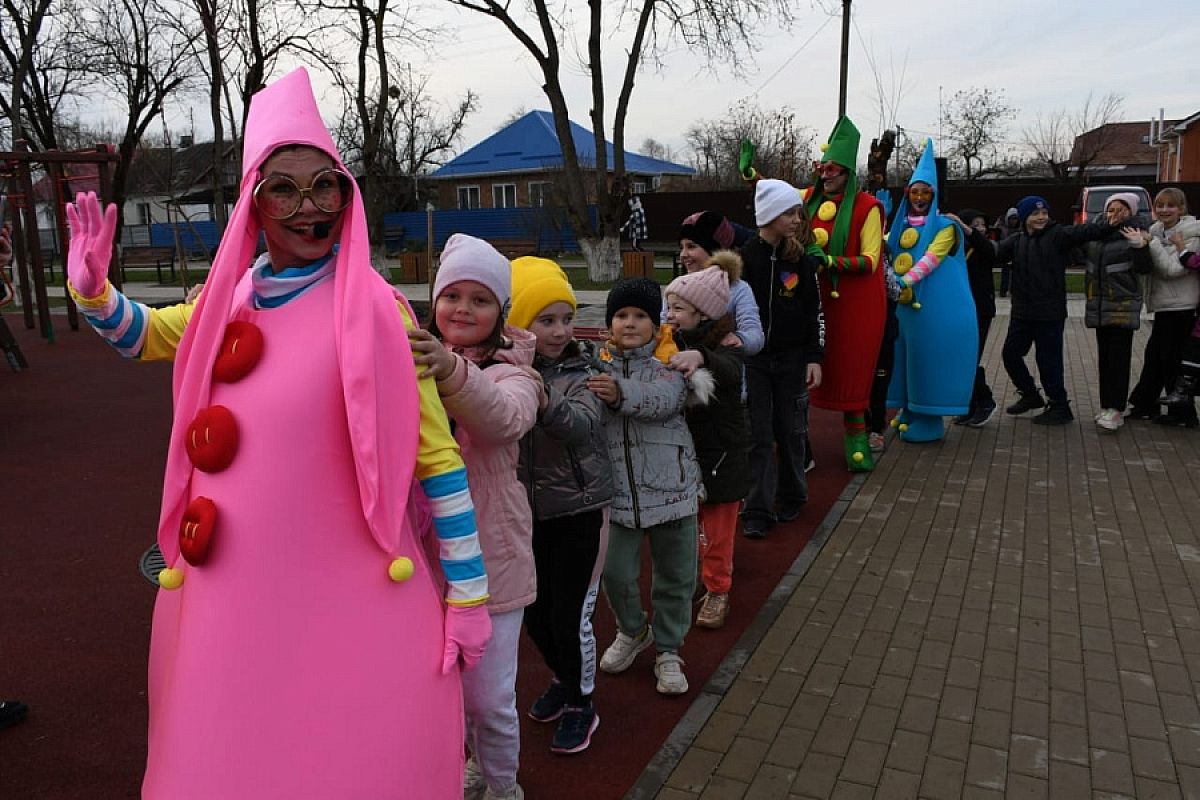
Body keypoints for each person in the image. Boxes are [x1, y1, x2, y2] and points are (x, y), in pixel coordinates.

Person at [64, 68, 490, 798]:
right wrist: (96, 291)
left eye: (323, 185)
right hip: (234, 607)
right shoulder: (224, 303)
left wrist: (469, 595)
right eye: (283, 188)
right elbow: (147, 338)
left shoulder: (377, 313)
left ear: (345, 194)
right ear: (253, 206)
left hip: (349, 605)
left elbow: (438, 460)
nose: (307, 206)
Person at [410, 234, 540, 800]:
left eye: (480, 299)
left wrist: (448, 372)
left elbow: (503, 419)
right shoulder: (411, 356)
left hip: (493, 562)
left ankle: (503, 785)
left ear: (501, 313)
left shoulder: (520, 374)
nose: (462, 309)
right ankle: (462, 767)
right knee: (438, 691)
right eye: (452, 295)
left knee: (489, 698)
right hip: (425, 558)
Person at [508, 256, 612, 756]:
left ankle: (581, 701)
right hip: (525, 512)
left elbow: (581, 425)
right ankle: (562, 677)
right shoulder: (505, 369)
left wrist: (541, 397)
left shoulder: (585, 368)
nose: (559, 330)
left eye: (565, 319)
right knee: (533, 614)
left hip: (578, 509)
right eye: (545, 320)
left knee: (569, 615)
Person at [590, 277, 704, 696]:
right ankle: (633, 630)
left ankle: (670, 649)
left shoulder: (669, 373)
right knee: (615, 575)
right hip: (618, 496)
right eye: (621, 315)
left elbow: (660, 402)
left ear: (657, 328)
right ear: (608, 326)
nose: (630, 322)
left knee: (676, 579)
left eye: (640, 315)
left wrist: (619, 392)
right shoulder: (593, 373)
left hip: (673, 491)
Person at [663, 254, 751, 629]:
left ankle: (718, 589)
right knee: (689, 527)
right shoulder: (668, 340)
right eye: (669, 306)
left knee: (717, 531)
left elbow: (730, 370)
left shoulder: (727, 345)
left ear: (702, 313)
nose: (670, 314)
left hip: (722, 452)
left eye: (678, 308)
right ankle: (702, 578)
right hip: (687, 452)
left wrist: (702, 356)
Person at [738, 180, 824, 539]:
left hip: (790, 360)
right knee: (758, 435)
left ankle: (792, 494)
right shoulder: (744, 259)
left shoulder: (798, 259)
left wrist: (814, 356)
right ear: (770, 214)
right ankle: (757, 506)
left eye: (797, 212)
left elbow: (812, 310)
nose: (796, 220)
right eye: (789, 212)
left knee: (790, 430)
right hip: (755, 361)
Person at [803, 116, 886, 470]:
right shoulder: (807, 199)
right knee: (807, 367)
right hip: (815, 298)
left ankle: (857, 440)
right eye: (822, 168)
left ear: (847, 173)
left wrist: (830, 261)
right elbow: (776, 196)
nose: (825, 175)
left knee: (851, 368)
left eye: (832, 170)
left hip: (855, 304)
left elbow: (870, 259)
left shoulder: (869, 207)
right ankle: (798, 446)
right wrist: (752, 177)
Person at [883, 139, 977, 443]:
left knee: (928, 358)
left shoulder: (945, 227)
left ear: (933, 194)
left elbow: (932, 258)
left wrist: (905, 281)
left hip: (932, 309)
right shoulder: (899, 225)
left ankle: (928, 416)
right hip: (905, 310)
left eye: (925, 192)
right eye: (915, 192)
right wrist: (879, 218)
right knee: (906, 357)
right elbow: (883, 248)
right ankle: (909, 410)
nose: (920, 197)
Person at [997, 195, 1116, 425]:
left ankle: (1060, 406)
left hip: (1049, 313)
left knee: (1048, 361)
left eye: (1044, 213)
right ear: (1024, 218)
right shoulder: (1017, 241)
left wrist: (1111, 223)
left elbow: (1086, 231)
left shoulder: (1058, 235)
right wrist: (967, 234)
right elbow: (991, 252)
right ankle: (1030, 395)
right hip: (1022, 312)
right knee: (1010, 354)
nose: (1041, 217)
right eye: (1034, 214)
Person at [1127, 188, 1200, 426]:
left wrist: (1153, 244)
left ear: (1181, 208)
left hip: (1182, 307)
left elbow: (1173, 270)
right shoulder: (1156, 231)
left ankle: (1183, 413)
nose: (1164, 210)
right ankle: (1144, 404)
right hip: (1163, 306)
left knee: (1171, 360)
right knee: (1155, 358)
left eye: (1171, 206)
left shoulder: (1192, 235)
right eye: (1160, 205)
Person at [1083, 193, 1152, 431]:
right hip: (1100, 307)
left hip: (1122, 307)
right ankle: (1106, 407)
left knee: (1119, 361)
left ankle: (1117, 409)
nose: (1115, 213)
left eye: (1122, 209)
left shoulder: (1135, 234)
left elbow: (1145, 268)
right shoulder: (1096, 234)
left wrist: (1140, 247)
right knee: (1105, 360)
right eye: (1111, 209)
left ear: (1132, 212)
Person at [675, 211, 764, 355]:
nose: (683, 254)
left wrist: (740, 339)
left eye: (691, 246)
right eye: (681, 247)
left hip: (723, 370)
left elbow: (755, 334)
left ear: (714, 250)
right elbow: (663, 324)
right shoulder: (678, 286)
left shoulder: (738, 288)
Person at [950, 208, 999, 427]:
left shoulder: (982, 248)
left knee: (971, 358)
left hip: (980, 310)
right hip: (960, 309)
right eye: (976, 223)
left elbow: (990, 251)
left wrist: (967, 229)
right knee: (961, 359)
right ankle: (970, 405)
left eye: (982, 224)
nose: (981, 228)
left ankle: (985, 401)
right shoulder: (956, 249)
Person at [994, 207, 1020, 297]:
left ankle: (1014, 290)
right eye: (1012, 219)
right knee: (1005, 272)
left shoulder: (1020, 229)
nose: (1014, 221)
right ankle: (1003, 291)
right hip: (1005, 253)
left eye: (1015, 219)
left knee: (1016, 273)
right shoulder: (1001, 227)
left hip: (1016, 253)